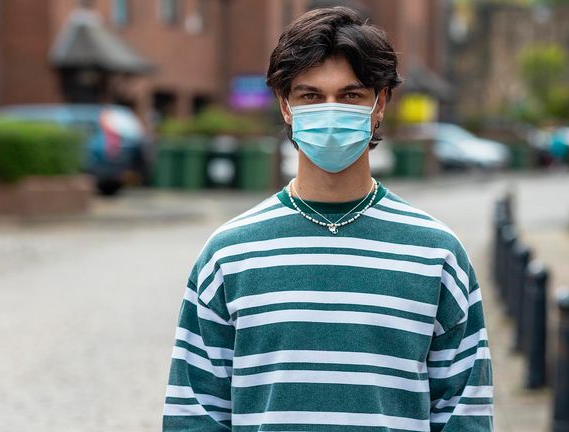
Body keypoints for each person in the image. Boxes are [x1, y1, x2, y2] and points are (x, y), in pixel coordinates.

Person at [162, 6, 493, 431]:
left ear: (380, 104)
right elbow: (194, 415)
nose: (331, 110)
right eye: (310, 96)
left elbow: (466, 414)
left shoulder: (437, 253)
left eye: (351, 95)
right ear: (285, 106)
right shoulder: (229, 254)